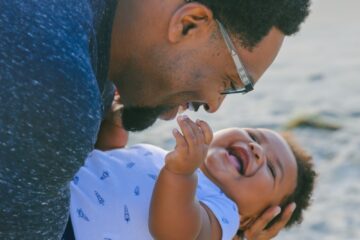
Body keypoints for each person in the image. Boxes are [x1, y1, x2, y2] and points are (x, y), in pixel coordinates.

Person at [0, 0, 311, 238]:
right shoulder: (58, 92)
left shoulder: (83, 53)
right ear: (189, 24)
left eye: (271, 167)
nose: (215, 105)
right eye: (230, 83)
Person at [69, 116, 316, 240]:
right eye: (254, 135)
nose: (256, 149)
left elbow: (174, 233)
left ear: (250, 220)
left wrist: (181, 173)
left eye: (272, 169)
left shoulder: (223, 213)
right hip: (57, 187)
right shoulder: (167, 157)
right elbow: (110, 167)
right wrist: (116, 123)